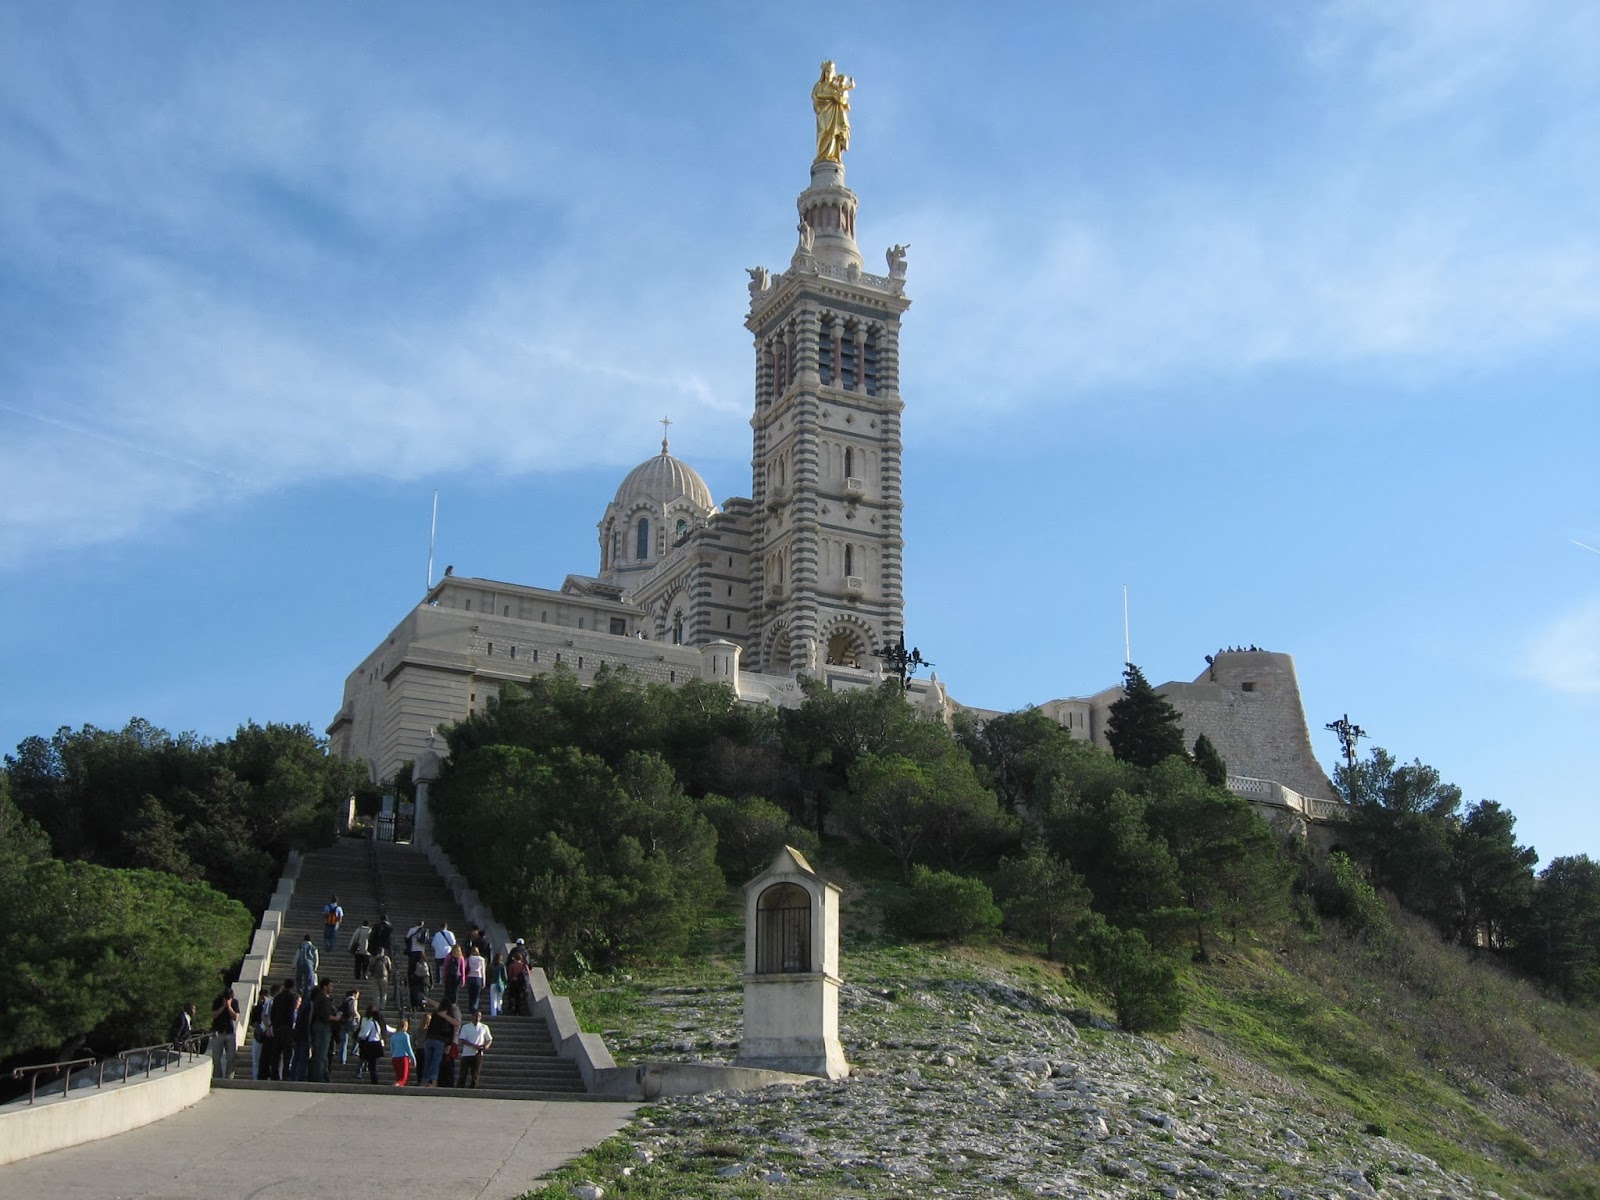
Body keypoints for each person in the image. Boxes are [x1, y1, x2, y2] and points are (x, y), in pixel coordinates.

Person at [812, 60, 855, 163]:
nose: (829, 73)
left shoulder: (836, 87)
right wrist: (832, 96)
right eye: (827, 71)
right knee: (825, 131)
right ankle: (822, 155)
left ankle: (834, 155)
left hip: (836, 112)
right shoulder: (819, 85)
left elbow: (843, 97)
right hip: (825, 112)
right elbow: (816, 95)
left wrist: (843, 101)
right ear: (824, 73)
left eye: (831, 71)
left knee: (834, 133)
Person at [419, 1002, 460, 1087]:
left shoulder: (435, 1014)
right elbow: (452, 1028)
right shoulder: (448, 1016)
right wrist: (449, 1043)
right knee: (435, 1062)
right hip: (440, 1040)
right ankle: (433, 1081)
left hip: (429, 1039)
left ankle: (424, 1080)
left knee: (427, 1061)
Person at [308, 980, 337, 1083]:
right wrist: (337, 1018)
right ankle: (318, 1077)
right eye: (330, 986)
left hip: (318, 1027)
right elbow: (326, 1016)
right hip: (322, 1027)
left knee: (320, 1054)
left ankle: (322, 1075)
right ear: (325, 987)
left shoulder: (319, 998)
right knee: (321, 1054)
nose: (332, 988)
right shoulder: (323, 999)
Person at [455, 1008, 492, 1088]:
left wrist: (486, 1046)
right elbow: (462, 1039)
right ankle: (460, 1089)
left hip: (478, 1053)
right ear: (472, 1016)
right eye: (476, 1016)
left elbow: (489, 1039)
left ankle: (473, 1089)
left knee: (475, 1074)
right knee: (463, 1073)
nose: (477, 1018)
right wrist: (472, 1045)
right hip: (467, 1053)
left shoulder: (484, 1027)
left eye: (479, 1016)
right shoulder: (466, 1027)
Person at [270, 981, 299, 1081]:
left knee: (276, 1053)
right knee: (287, 1053)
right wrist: (291, 1027)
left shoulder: (277, 998)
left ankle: (274, 1074)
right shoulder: (291, 997)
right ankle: (286, 1074)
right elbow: (290, 1013)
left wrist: (274, 1026)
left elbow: (272, 1013)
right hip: (286, 1028)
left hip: (277, 1028)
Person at [209, 986, 239, 1078]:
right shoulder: (217, 1001)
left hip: (229, 1032)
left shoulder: (234, 1002)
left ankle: (229, 1077)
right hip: (218, 1032)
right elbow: (213, 1015)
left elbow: (235, 1017)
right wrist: (223, 1007)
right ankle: (218, 1076)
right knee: (217, 1058)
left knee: (231, 1057)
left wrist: (229, 1007)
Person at [355, 1005, 386, 1084]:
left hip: (370, 1044)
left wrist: (360, 1036)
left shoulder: (369, 1022)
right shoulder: (377, 1023)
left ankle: (364, 1074)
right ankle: (373, 1079)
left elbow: (365, 1034)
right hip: (376, 1043)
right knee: (373, 1064)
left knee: (369, 1062)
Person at [251, 985, 276, 1080]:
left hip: (267, 1035)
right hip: (259, 1035)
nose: (262, 1000)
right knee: (256, 1059)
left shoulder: (270, 1006)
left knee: (266, 1058)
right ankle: (256, 1077)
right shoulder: (257, 1008)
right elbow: (253, 1021)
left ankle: (265, 1075)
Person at [336, 988, 361, 1066]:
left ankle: (342, 1059)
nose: (358, 996)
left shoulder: (345, 1000)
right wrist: (358, 1016)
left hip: (343, 1022)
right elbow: (353, 1010)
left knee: (344, 1042)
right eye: (357, 995)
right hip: (351, 1021)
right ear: (354, 994)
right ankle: (354, 1051)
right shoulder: (353, 1000)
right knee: (358, 1036)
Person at [389, 1018, 417, 1087]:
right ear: (405, 1026)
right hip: (403, 1057)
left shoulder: (393, 1036)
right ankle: (395, 1086)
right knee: (403, 1078)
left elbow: (392, 1049)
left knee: (398, 1077)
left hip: (395, 1058)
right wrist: (413, 1058)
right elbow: (408, 1048)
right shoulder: (405, 1035)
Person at [370, 946, 393, 1013]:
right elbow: (389, 968)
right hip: (384, 977)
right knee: (383, 993)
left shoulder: (374, 958)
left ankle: (376, 1007)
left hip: (375, 976)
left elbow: (370, 966)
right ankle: (382, 1007)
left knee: (376, 993)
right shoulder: (386, 958)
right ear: (383, 952)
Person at [486, 952, 507, 1017]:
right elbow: (505, 976)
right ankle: (499, 1009)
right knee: (499, 998)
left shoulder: (491, 965)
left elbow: (488, 975)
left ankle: (493, 1013)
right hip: (500, 984)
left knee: (493, 999)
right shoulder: (502, 965)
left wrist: (488, 983)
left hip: (493, 983)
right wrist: (505, 982)